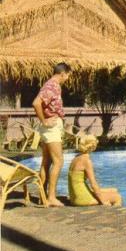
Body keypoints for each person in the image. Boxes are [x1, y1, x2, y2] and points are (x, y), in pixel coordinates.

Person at [32, 62, 72, 207]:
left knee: (47, 161)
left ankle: (42, 196)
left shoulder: (52, 85)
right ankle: (51, 197)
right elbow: (36, 103)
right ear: (63, 73)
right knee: (58, 161)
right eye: (68, 75)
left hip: (50, 127)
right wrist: (44, 121)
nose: (67, 78)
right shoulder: (52, 86)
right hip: (51, 128)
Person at [68, 135, 122, 206]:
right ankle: (112, 212)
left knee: (114, 190)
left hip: (74, 197)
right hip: (82, 199)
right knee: (117, 197)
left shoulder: (76, 158)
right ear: (93, 146)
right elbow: (93, 184)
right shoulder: (86, 161)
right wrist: (103, 201)